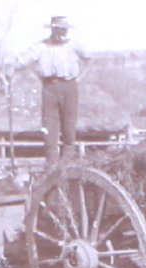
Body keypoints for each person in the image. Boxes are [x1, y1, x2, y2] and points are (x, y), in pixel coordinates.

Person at [16, 16, 90, 166]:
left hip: (69, 86)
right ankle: (52, 166)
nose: (63, 33)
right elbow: (22, 61)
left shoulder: (74, 45)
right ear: (53, 30)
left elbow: (88, 59)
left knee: (69, 127)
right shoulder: (41, 46)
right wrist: (16, 70)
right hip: (49, 88)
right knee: (50, 129)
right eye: (60, 29)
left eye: (65, 30)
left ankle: (67, 164)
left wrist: (81, 76)